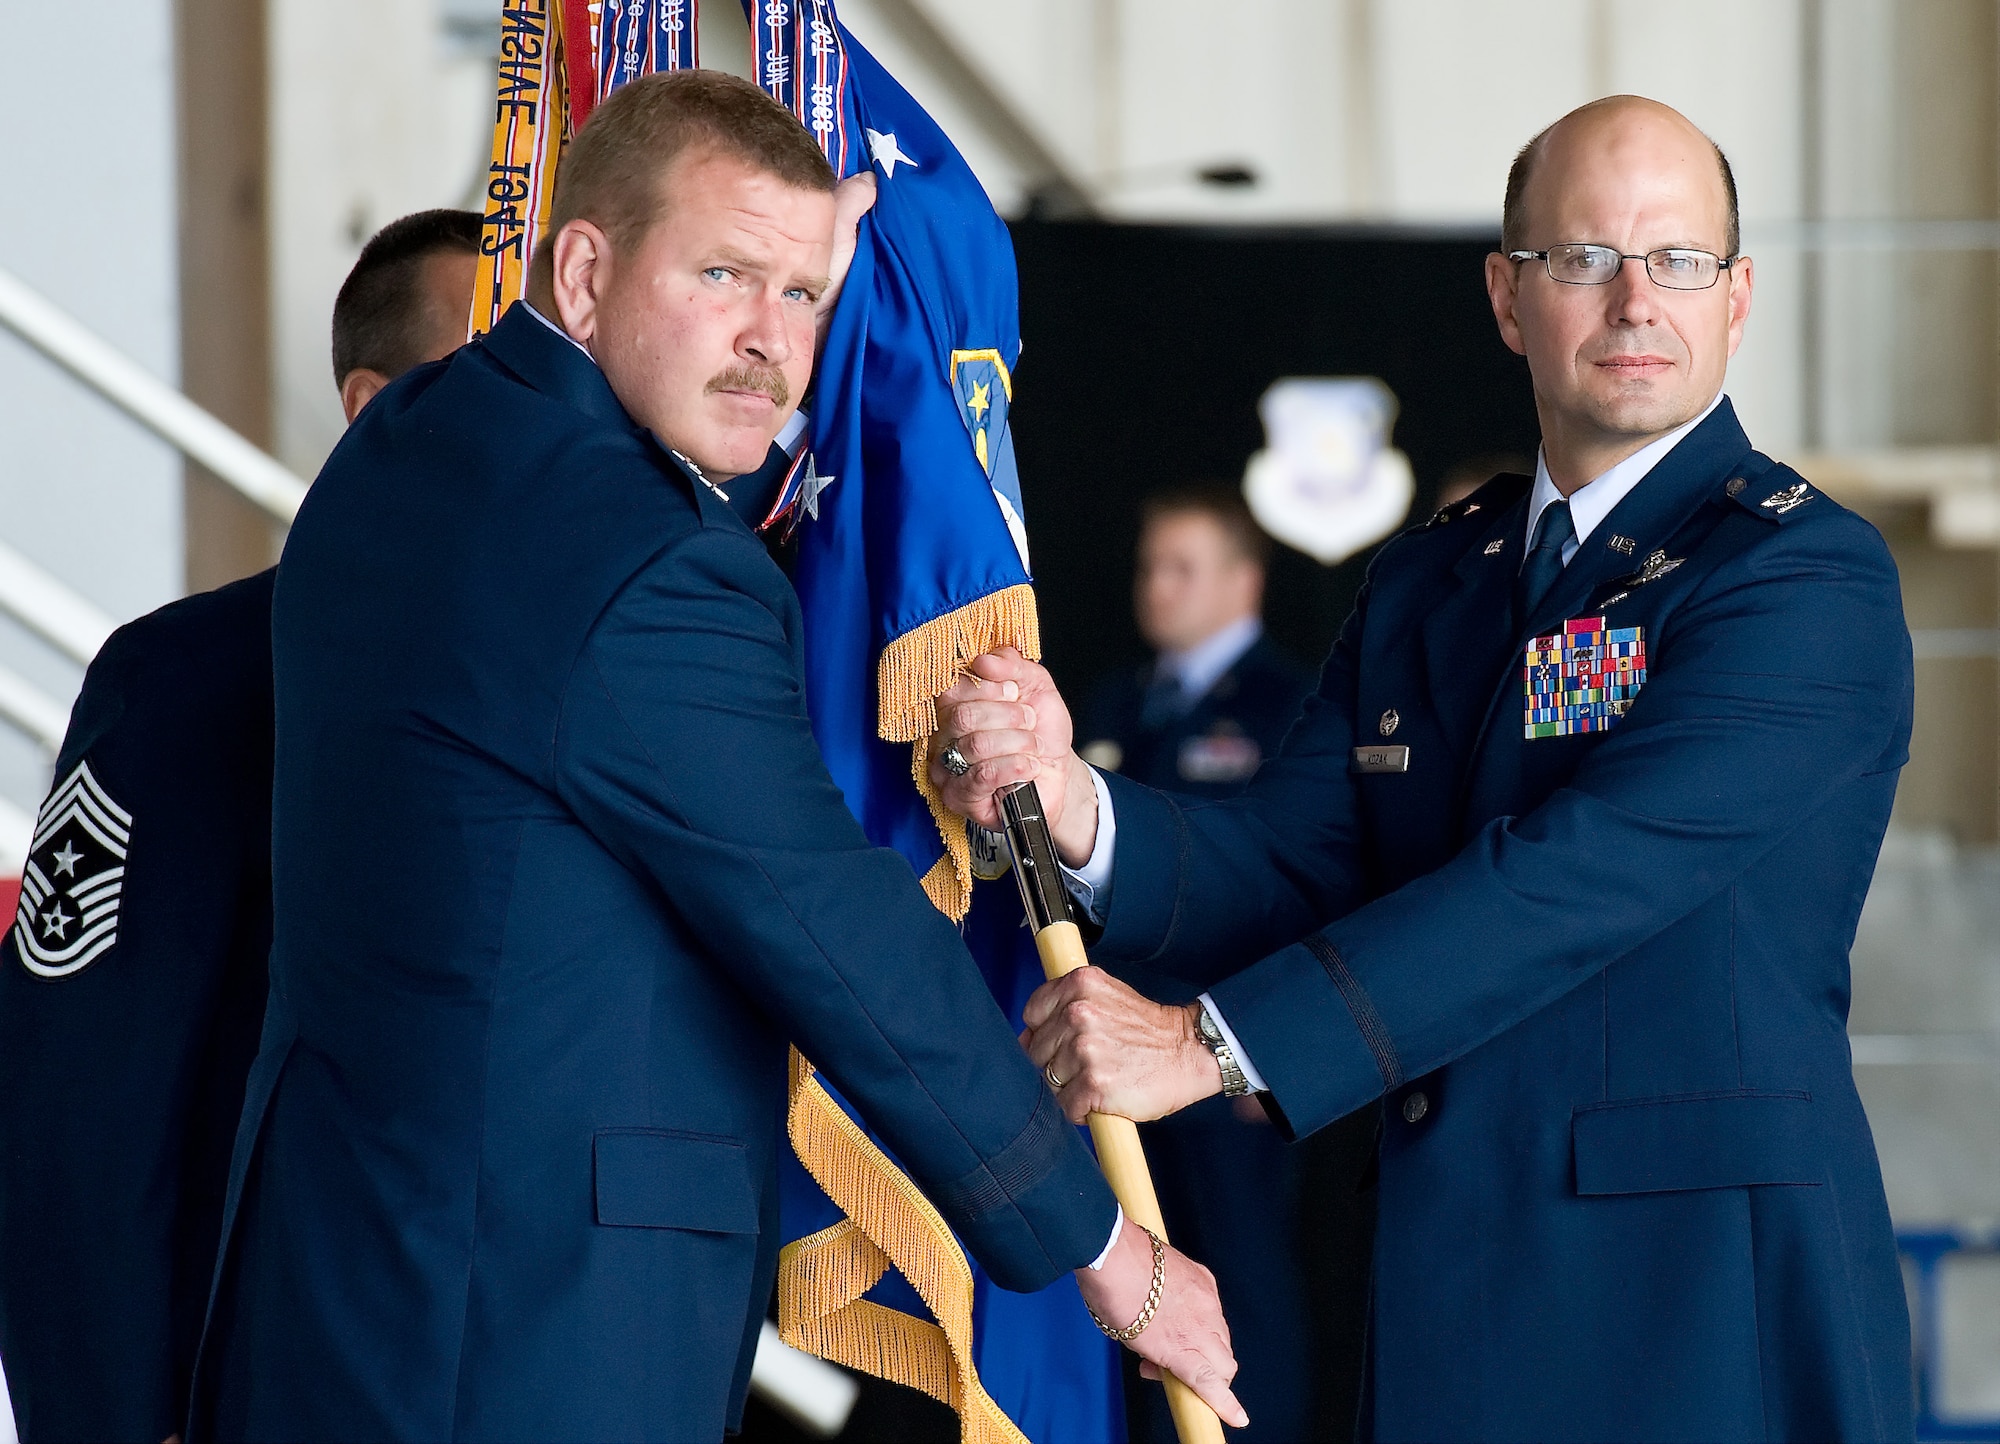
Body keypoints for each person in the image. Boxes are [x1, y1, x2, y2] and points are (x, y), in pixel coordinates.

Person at [188, 71, 1241, 1442]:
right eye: (725, 274)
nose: (773, 346)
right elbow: (838, 936)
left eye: (805, 293)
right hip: (523, 1336)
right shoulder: (650, 568)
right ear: (582, 272)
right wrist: (1106, 1252)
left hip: (348, 1287)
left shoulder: (409, 442)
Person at [936, 95, 1915, 1441]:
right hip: (1448, 1283)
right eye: (1583, 257)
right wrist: (1072, 801)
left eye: (1680, 259)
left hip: (1692, 1310)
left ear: (1737, 298)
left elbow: (1568, 881)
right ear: (1508, 297)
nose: (1636, 300)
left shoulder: (1802, 577)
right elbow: (1292, 856)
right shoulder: (1435, 578)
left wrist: (1209, 1045)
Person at [0, 208, 481, 1444]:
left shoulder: (616, 691)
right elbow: (77, 1096)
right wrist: (113, 1417)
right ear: (374, 411)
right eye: (488, 373)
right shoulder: (187, 680)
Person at [1076, 486, 1365, 1442]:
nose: (1158, 587)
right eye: (1149, 566)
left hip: (1225, 1058)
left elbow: (1307, 876)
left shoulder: (1294, 703)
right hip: (1112, 1056)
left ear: (1244, 581)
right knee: (1126, 1290)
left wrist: (1271, 1051)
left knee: (1241, 1281)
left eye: (1183, 567)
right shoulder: (1115, 703)